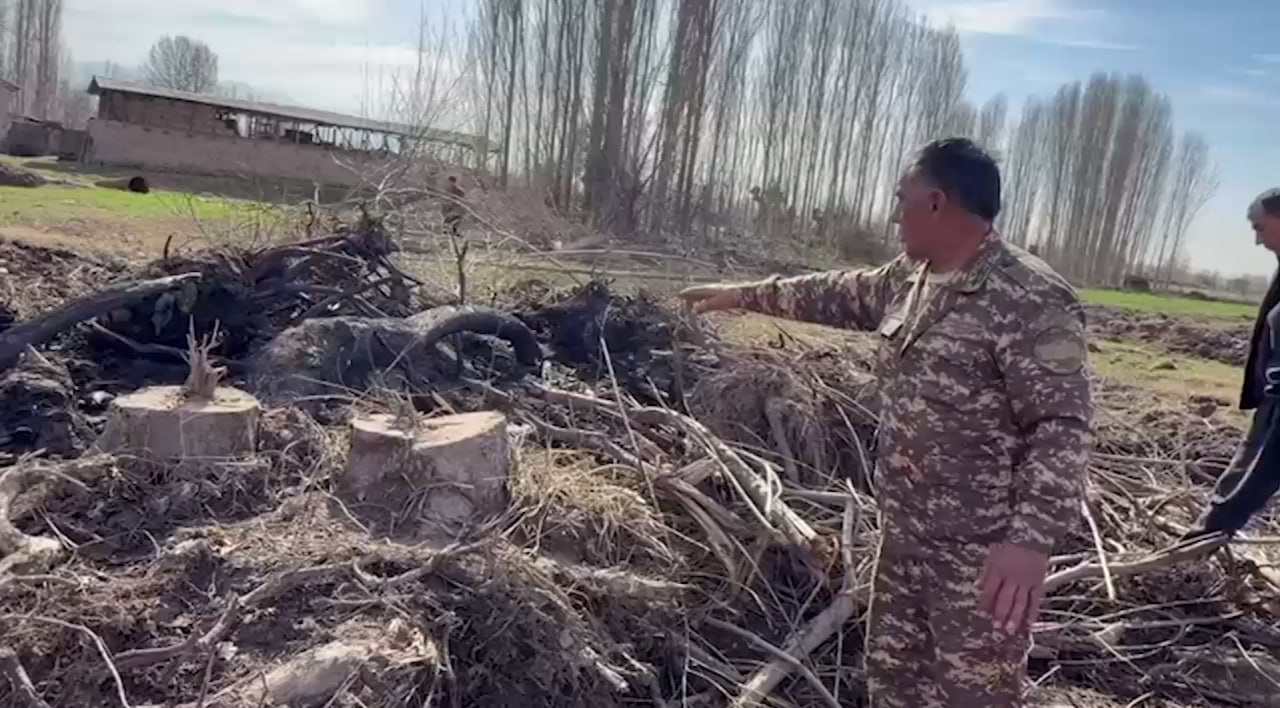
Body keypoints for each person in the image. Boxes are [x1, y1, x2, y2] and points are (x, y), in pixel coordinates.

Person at [680, 138, 1093, 707]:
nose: (894, 214)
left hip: (981, 558)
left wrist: (1029, 541)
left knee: (974, 695)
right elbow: (832, 293)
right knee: (893, 685)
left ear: (936, 203)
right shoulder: (911, 278)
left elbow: (1062, 427)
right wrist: (740, 295)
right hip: (903, 538)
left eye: (902, 198)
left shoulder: (1029, 297)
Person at [1182, 188, 1280, 543]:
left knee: (1250, 479)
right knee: (1243, 473)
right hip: (1272, 399)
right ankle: (1204, 538)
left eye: (1260, 228)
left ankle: (1200, 542)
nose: (1257, 240)